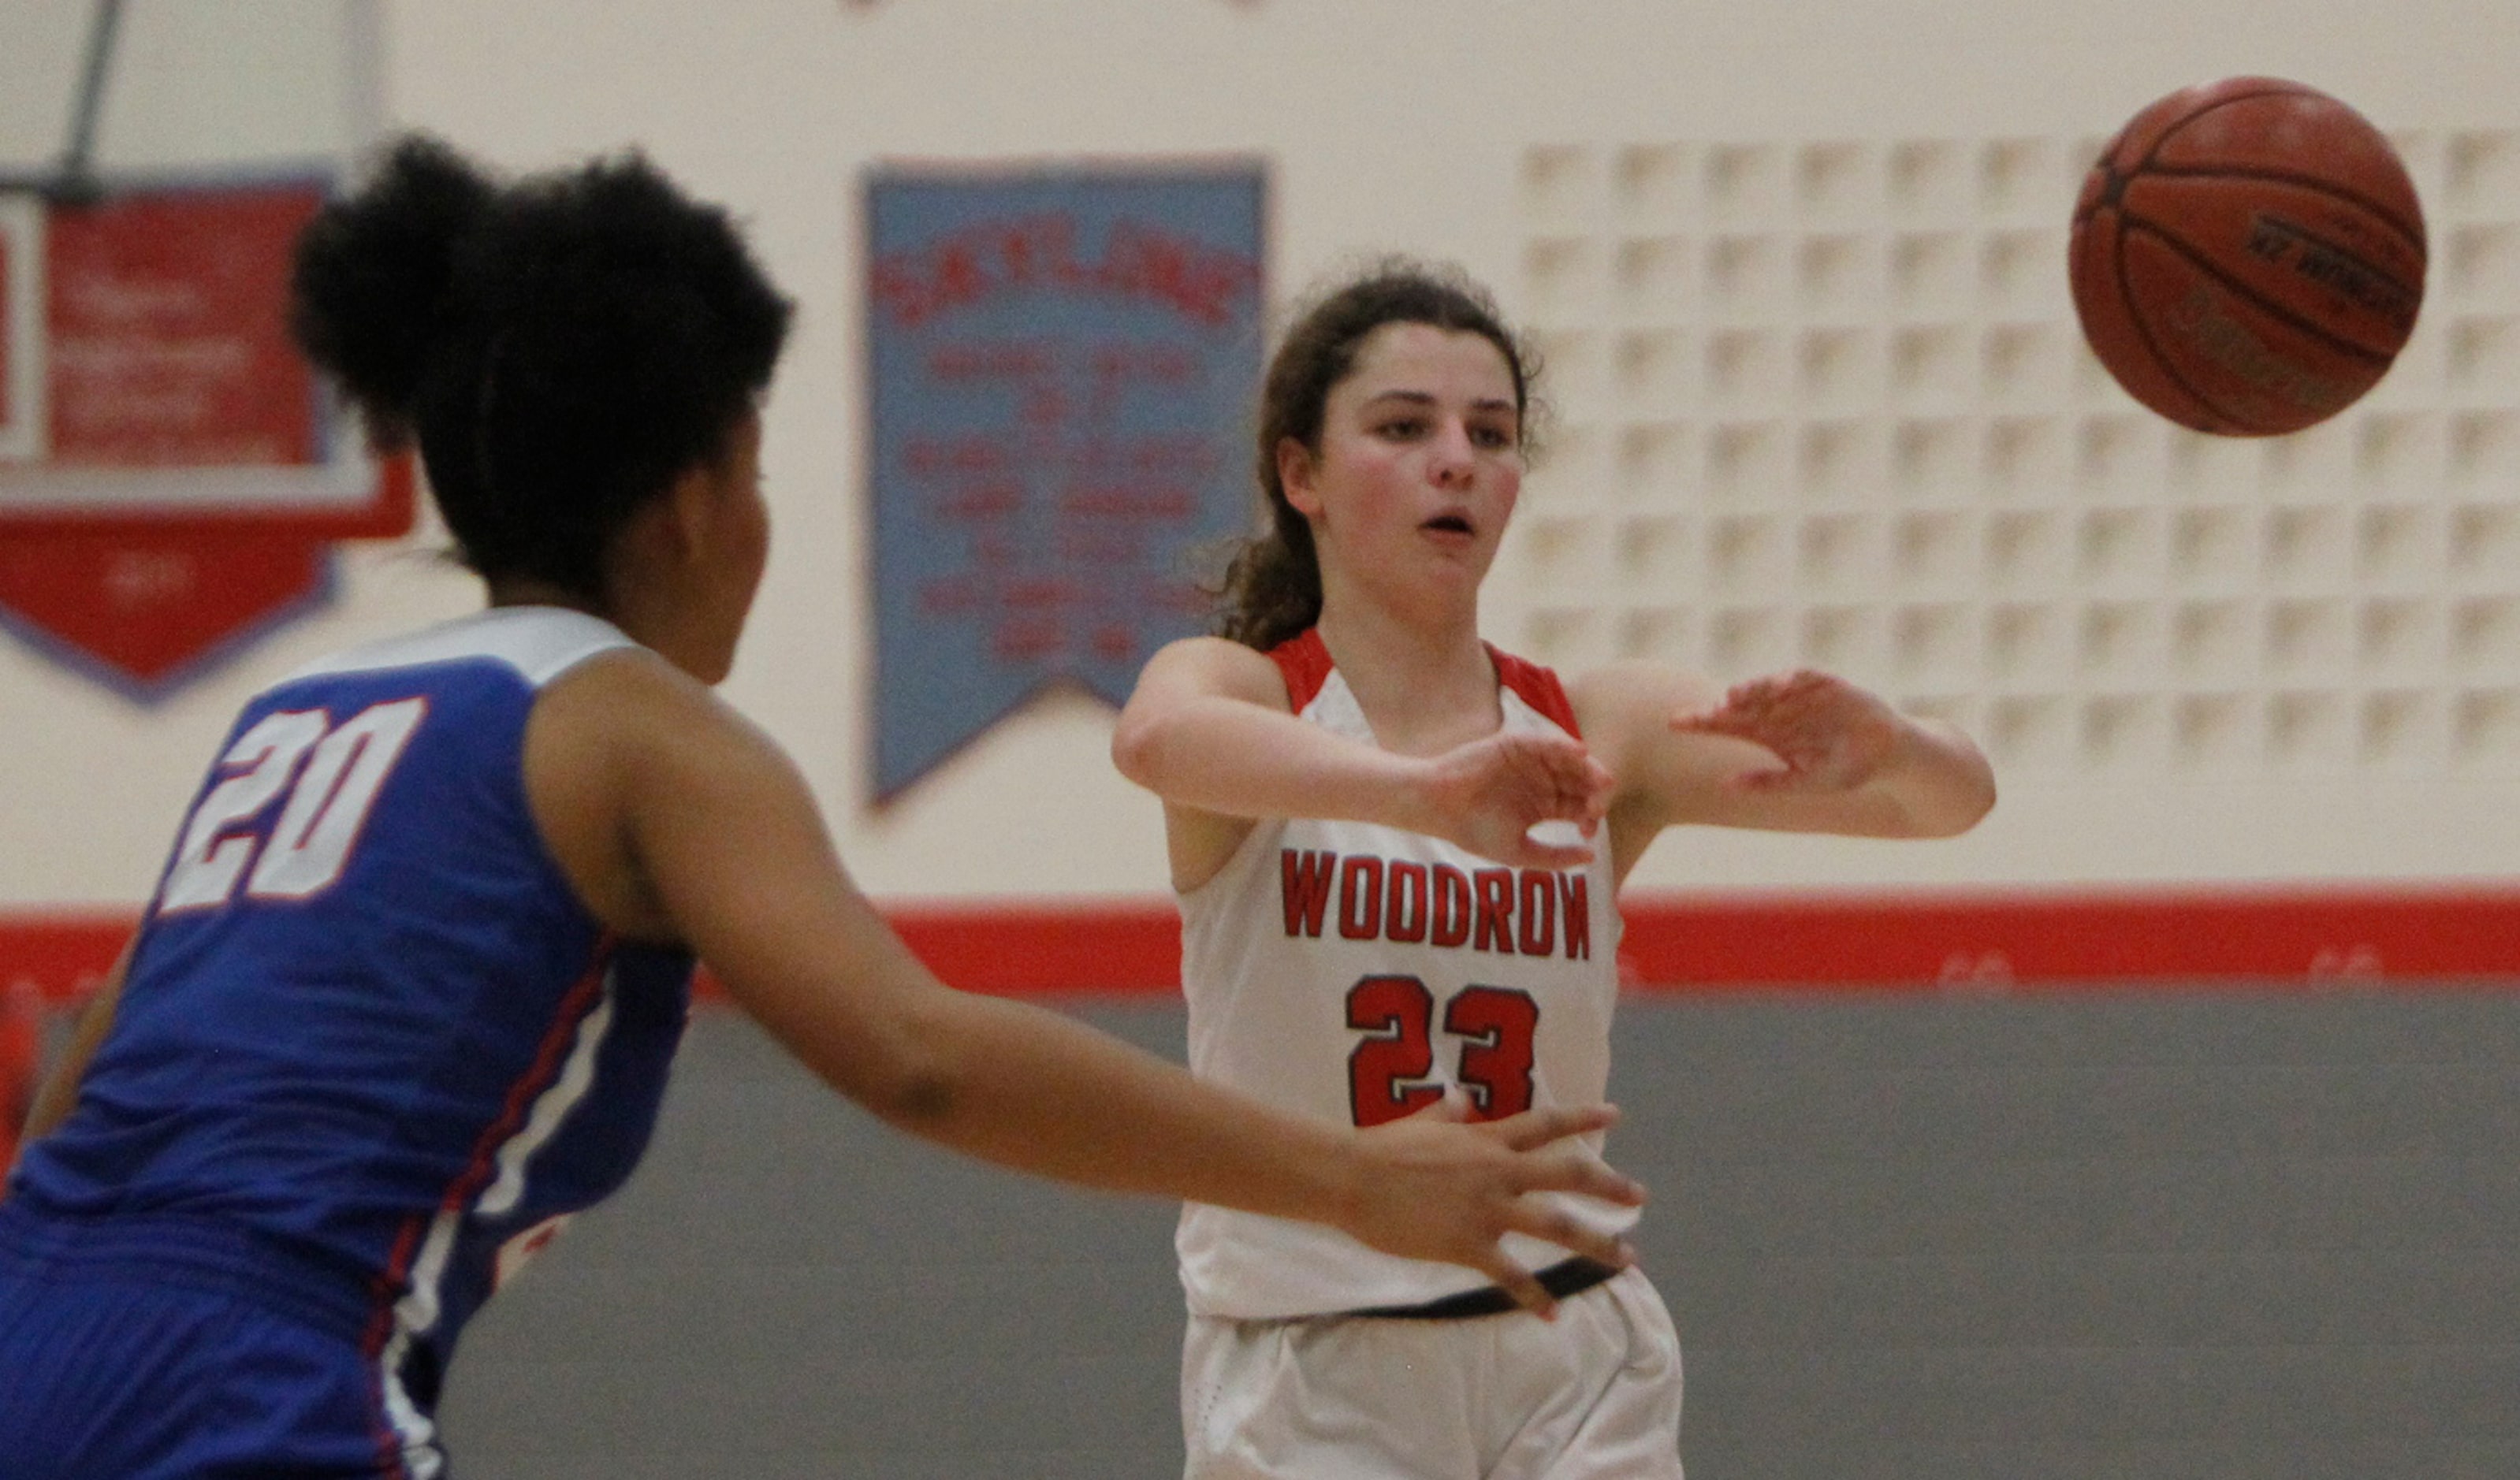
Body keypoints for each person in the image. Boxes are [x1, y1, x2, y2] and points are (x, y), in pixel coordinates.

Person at [0, 145, 1647, 1480]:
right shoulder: (636, 728)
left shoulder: (300, 716)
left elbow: (82, 1105)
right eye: (761, 470)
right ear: (698, 498)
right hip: (251, 1386)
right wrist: (1353, 1184)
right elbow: (917, 1052)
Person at [1112, 261, 1999, 1478]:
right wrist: (1421, 791)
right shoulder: (1251, 695)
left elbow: (1942, 808)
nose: (1455, 459)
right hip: (1314, 1355)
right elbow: (1152, 741)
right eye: (1403, 426)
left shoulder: (1592, 726)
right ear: (1299, 473)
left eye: (1491, 433)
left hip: (1571, 1349)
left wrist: (1892, 742)